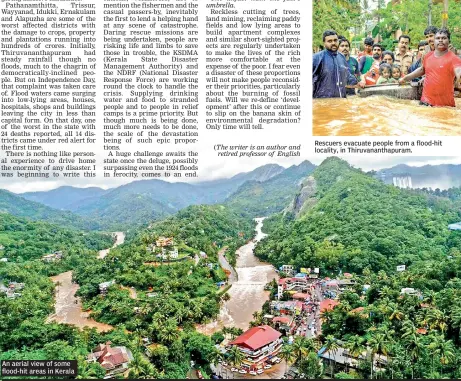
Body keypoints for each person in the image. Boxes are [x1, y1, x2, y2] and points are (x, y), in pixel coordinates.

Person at [399, 28, 461, 107]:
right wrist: (405, 78)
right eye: (438, 38)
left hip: (444, 106)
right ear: (434, 41)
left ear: (449, 41)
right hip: (425, 102)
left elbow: (458, 71)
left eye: (444, 38)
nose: (440, 40)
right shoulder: (428, 56)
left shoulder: (453, 58)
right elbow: (422, 70)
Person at [313, 30, 362, 98]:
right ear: (324, 43)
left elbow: (347, 75)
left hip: (340, 100)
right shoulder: (317, 58)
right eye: (330, 41)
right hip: (323, 102)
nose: (333, 43)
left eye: (335, 40)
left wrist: (358, 82)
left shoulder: (341, 57)